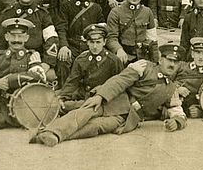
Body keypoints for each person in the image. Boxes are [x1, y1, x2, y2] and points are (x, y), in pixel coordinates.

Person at [30, 44, 188, 146]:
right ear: (160, 59)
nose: (171, 64)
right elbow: (119, 81)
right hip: (113, 101)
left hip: (127, 119)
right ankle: (54, 132)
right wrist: (100, 96)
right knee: (86, 111)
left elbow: (177, 111)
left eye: (176, 62)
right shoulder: (144, 66)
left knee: (97, 127)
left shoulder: (172, 89)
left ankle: (49, 135)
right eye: (168, 60)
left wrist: (177, 122)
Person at [0, 0, 60, 80]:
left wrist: (47, 63)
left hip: (35, 58)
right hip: (11, 58)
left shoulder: (42, 14)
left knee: (50, 77)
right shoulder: (7, 13)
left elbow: (51, 39)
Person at [58, 23, 123, 112]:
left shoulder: (113, 60)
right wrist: (62, 97)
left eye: (98, 42)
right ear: (87, 42)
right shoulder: (81, 60)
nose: (95, 46)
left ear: (104, 42)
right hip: (84, 96)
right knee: (59, 104)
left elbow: (119, 83)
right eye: (92, 42)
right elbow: (72, 82)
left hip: (104, 98)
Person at [56, 0, 106, 83]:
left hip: (90, 46)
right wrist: (64, 46)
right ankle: (65, 92)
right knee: (63, 60)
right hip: (72, 46)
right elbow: (61, 28)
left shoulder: (96, 8)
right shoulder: (67, 7)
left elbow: (102, 30)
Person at [105, 0, 159, 64]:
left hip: (142, 57)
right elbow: (111, 38)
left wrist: (156, 61)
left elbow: (152, 39)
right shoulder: (116, 12)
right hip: (123, 56)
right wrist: (118, 50)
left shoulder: (147, 12)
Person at [175, 37, 203, 118]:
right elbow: (165, 81)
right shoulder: (181, 66)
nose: (200, 57)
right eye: (197, 52)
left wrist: (202, 112)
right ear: (192, 54)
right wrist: (176, 89)